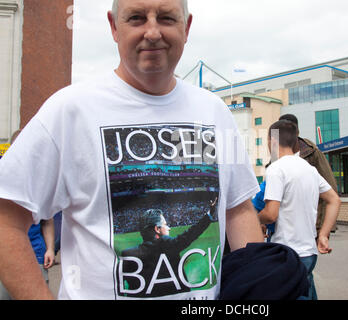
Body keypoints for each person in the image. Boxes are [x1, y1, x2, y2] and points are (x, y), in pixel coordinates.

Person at [0, 0, 263, 300]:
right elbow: (5, 219)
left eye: (166, 18)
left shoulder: (214, 111)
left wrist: (255, 286)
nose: (152, 32)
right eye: (137, 18)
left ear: (186, 27)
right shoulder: (70, 111)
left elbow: (238, 209)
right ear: (114, 26)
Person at [258, 120, 341, 300]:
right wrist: (324, 235)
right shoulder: (309, 169)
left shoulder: (276, 169)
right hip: (309, 252)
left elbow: (271, 214)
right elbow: (334, 199)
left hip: (286, 253)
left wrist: (254, 219)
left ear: (272, 141)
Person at [0, 131, 55, 300]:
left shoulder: (40, 179)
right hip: (7, 255)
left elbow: (47, 220)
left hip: (36, 253)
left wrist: (50, 249)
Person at [278, 114, 338, 234]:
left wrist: (324, 229)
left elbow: (330, 189)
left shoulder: (312, 153)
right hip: (283, 225)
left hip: (310, 224)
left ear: (297, 132)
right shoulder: (276, 154)